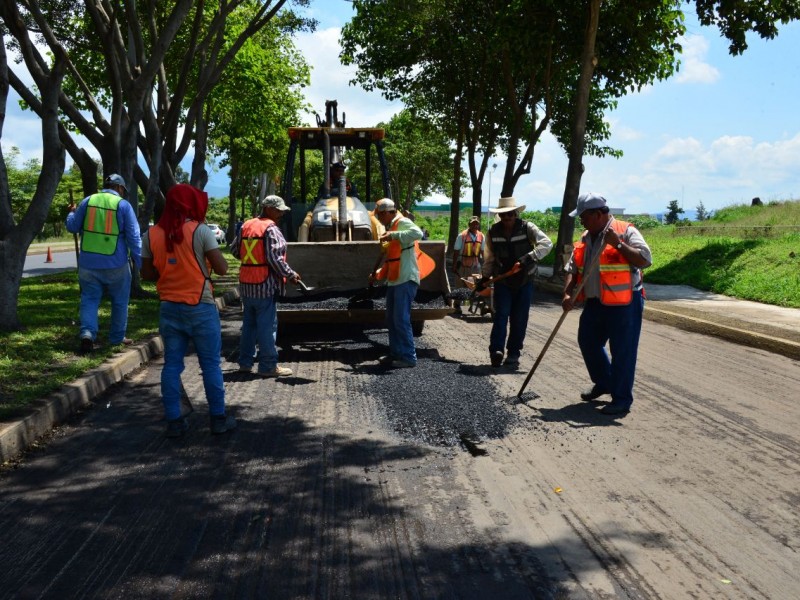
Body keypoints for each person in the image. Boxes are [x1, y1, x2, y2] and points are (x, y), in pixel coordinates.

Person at [140, 183, 235, 438]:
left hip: (169, 307)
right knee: (211, 365)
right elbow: (224, 268)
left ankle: (175, 422)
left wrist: (169, 267)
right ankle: (218, 419)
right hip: (200, 306)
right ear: (189, 204)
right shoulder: (201, 231)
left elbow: (146, 274)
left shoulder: (150, 235)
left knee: (171, 365)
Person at [561, 193, 652, 417]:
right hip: (595, 302)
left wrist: (618, 244)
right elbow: (573, 269)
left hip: (625, 303)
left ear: (599, 214)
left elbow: (645, 260)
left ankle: (621, 399)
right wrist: (567, 293)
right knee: (588, 341)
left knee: (622, 351)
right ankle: (604, 382)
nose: (581, 221)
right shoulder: (585, 236)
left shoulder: (625, 230)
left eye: (584, 216)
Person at [66, 173, 142, 354]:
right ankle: (116, 338)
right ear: (119, 188)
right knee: (120, 302)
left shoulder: (87, 201)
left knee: (89, 300)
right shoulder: (123, 205)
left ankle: (86, 334)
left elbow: (72, 227)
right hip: (116, 264)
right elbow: (134, 237)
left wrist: (71, 213)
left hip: (88, 264)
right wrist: (141, 262)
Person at [231, 195, 300, 378]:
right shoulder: (271, 229)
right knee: (267, 327)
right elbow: (274, 258)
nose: (281, 214)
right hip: (265, 286)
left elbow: (234, 250)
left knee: (249, 326)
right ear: (268, 209)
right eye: (278, 211)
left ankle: (245, 363)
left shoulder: (246, 226)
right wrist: (290, 274)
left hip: (247, 285)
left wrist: (252, 262)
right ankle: (268, 366)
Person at [482, 196, 552, 367]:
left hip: (524, 280)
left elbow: (546, 244)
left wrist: (529, 258)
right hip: (503, 281)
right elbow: (489, 258)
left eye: (510, 215)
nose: (507, 218)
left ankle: (513, 353)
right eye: (504, 215)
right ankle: (496, 351)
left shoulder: (528, 228)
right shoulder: (492, 232)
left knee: (519, 318)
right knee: (501, 315)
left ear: (516, 214)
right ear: (500, 216)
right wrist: (485, 277)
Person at [370, 198, 424, 368]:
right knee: (392, 319)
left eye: (379, 215)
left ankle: (408, 357)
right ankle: (396, 353)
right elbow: (392, 258)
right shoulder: (391, 227)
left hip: (406, 278)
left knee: (401, 319)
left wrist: (393, 235)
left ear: (387, 212)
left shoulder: (401, 222)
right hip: (395, 280)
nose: (378, 219)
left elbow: (418, 234)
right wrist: (378, 275)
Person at [451, 216, 485, 315]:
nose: (475, 225)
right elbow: (456, 251)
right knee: (460, 285)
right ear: (469, 225)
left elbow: (482, 251)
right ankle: (457, 305)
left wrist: (485, 264)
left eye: (476, 223)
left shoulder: (481, 236)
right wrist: (454, 265)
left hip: (475, 264)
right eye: (473, 223)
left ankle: (473, 305)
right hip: (463, 263)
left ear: (478, 225)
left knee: (475, 286)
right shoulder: (462, 236)